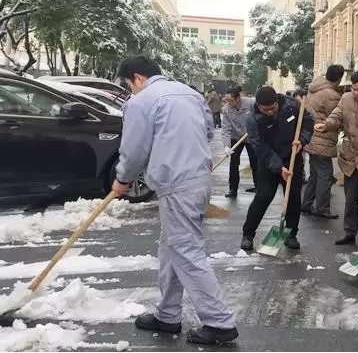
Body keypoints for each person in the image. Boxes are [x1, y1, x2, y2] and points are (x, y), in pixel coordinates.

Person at [112, 56, 237, 345]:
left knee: (186, 251)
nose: (130, 89)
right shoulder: (190, 94)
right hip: (196, 179)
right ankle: (167, 315)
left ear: (137, 78)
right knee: (171, 248)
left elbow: (134, 149)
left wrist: (123, 178)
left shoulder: (141, 102)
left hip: (176, 183)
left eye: (129, 84)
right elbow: (208, 132)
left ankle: (219, 322)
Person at [240, 87, 314, 252]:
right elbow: (259, 146)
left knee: (294, 198)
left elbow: (308, 122)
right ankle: (248, 234)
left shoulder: (292, 106)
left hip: (292, 157)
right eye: (265, 109)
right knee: (263, 196)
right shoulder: (253, 119)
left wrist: (302, 140)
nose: (270, 111)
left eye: (273, 107)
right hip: (268, 161)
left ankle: (291, 234)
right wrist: (278, 167)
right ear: (258, 106)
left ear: (277, 102)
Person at [313, 70, 358, 247]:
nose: (356, 93)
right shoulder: (346, 99)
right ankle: (349, 232)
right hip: (350, 157)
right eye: (353, 89)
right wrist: (327, 125)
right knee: (350, 199)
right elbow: (336, 116)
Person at [302, 65, 345, 219]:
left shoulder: (315, 88)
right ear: (340, 78)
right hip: (322, 139)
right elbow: (335, 118)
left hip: (311, 137)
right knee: (325, 176)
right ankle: (322, 208)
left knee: (315, 175)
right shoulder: (331, 95)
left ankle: (306, 204)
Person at [221, 87, 258, 198]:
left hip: (251, 137)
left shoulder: (251, 103)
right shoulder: (226, 109)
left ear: (238, 98)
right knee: (233, 163)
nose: (228, 103)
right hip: (236, 137)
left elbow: (260, 114)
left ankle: (259, 187)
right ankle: (233, 189)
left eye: (231, 100)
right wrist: (226, 146)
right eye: (226, 100)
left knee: (255, 162)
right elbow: (226, 129)